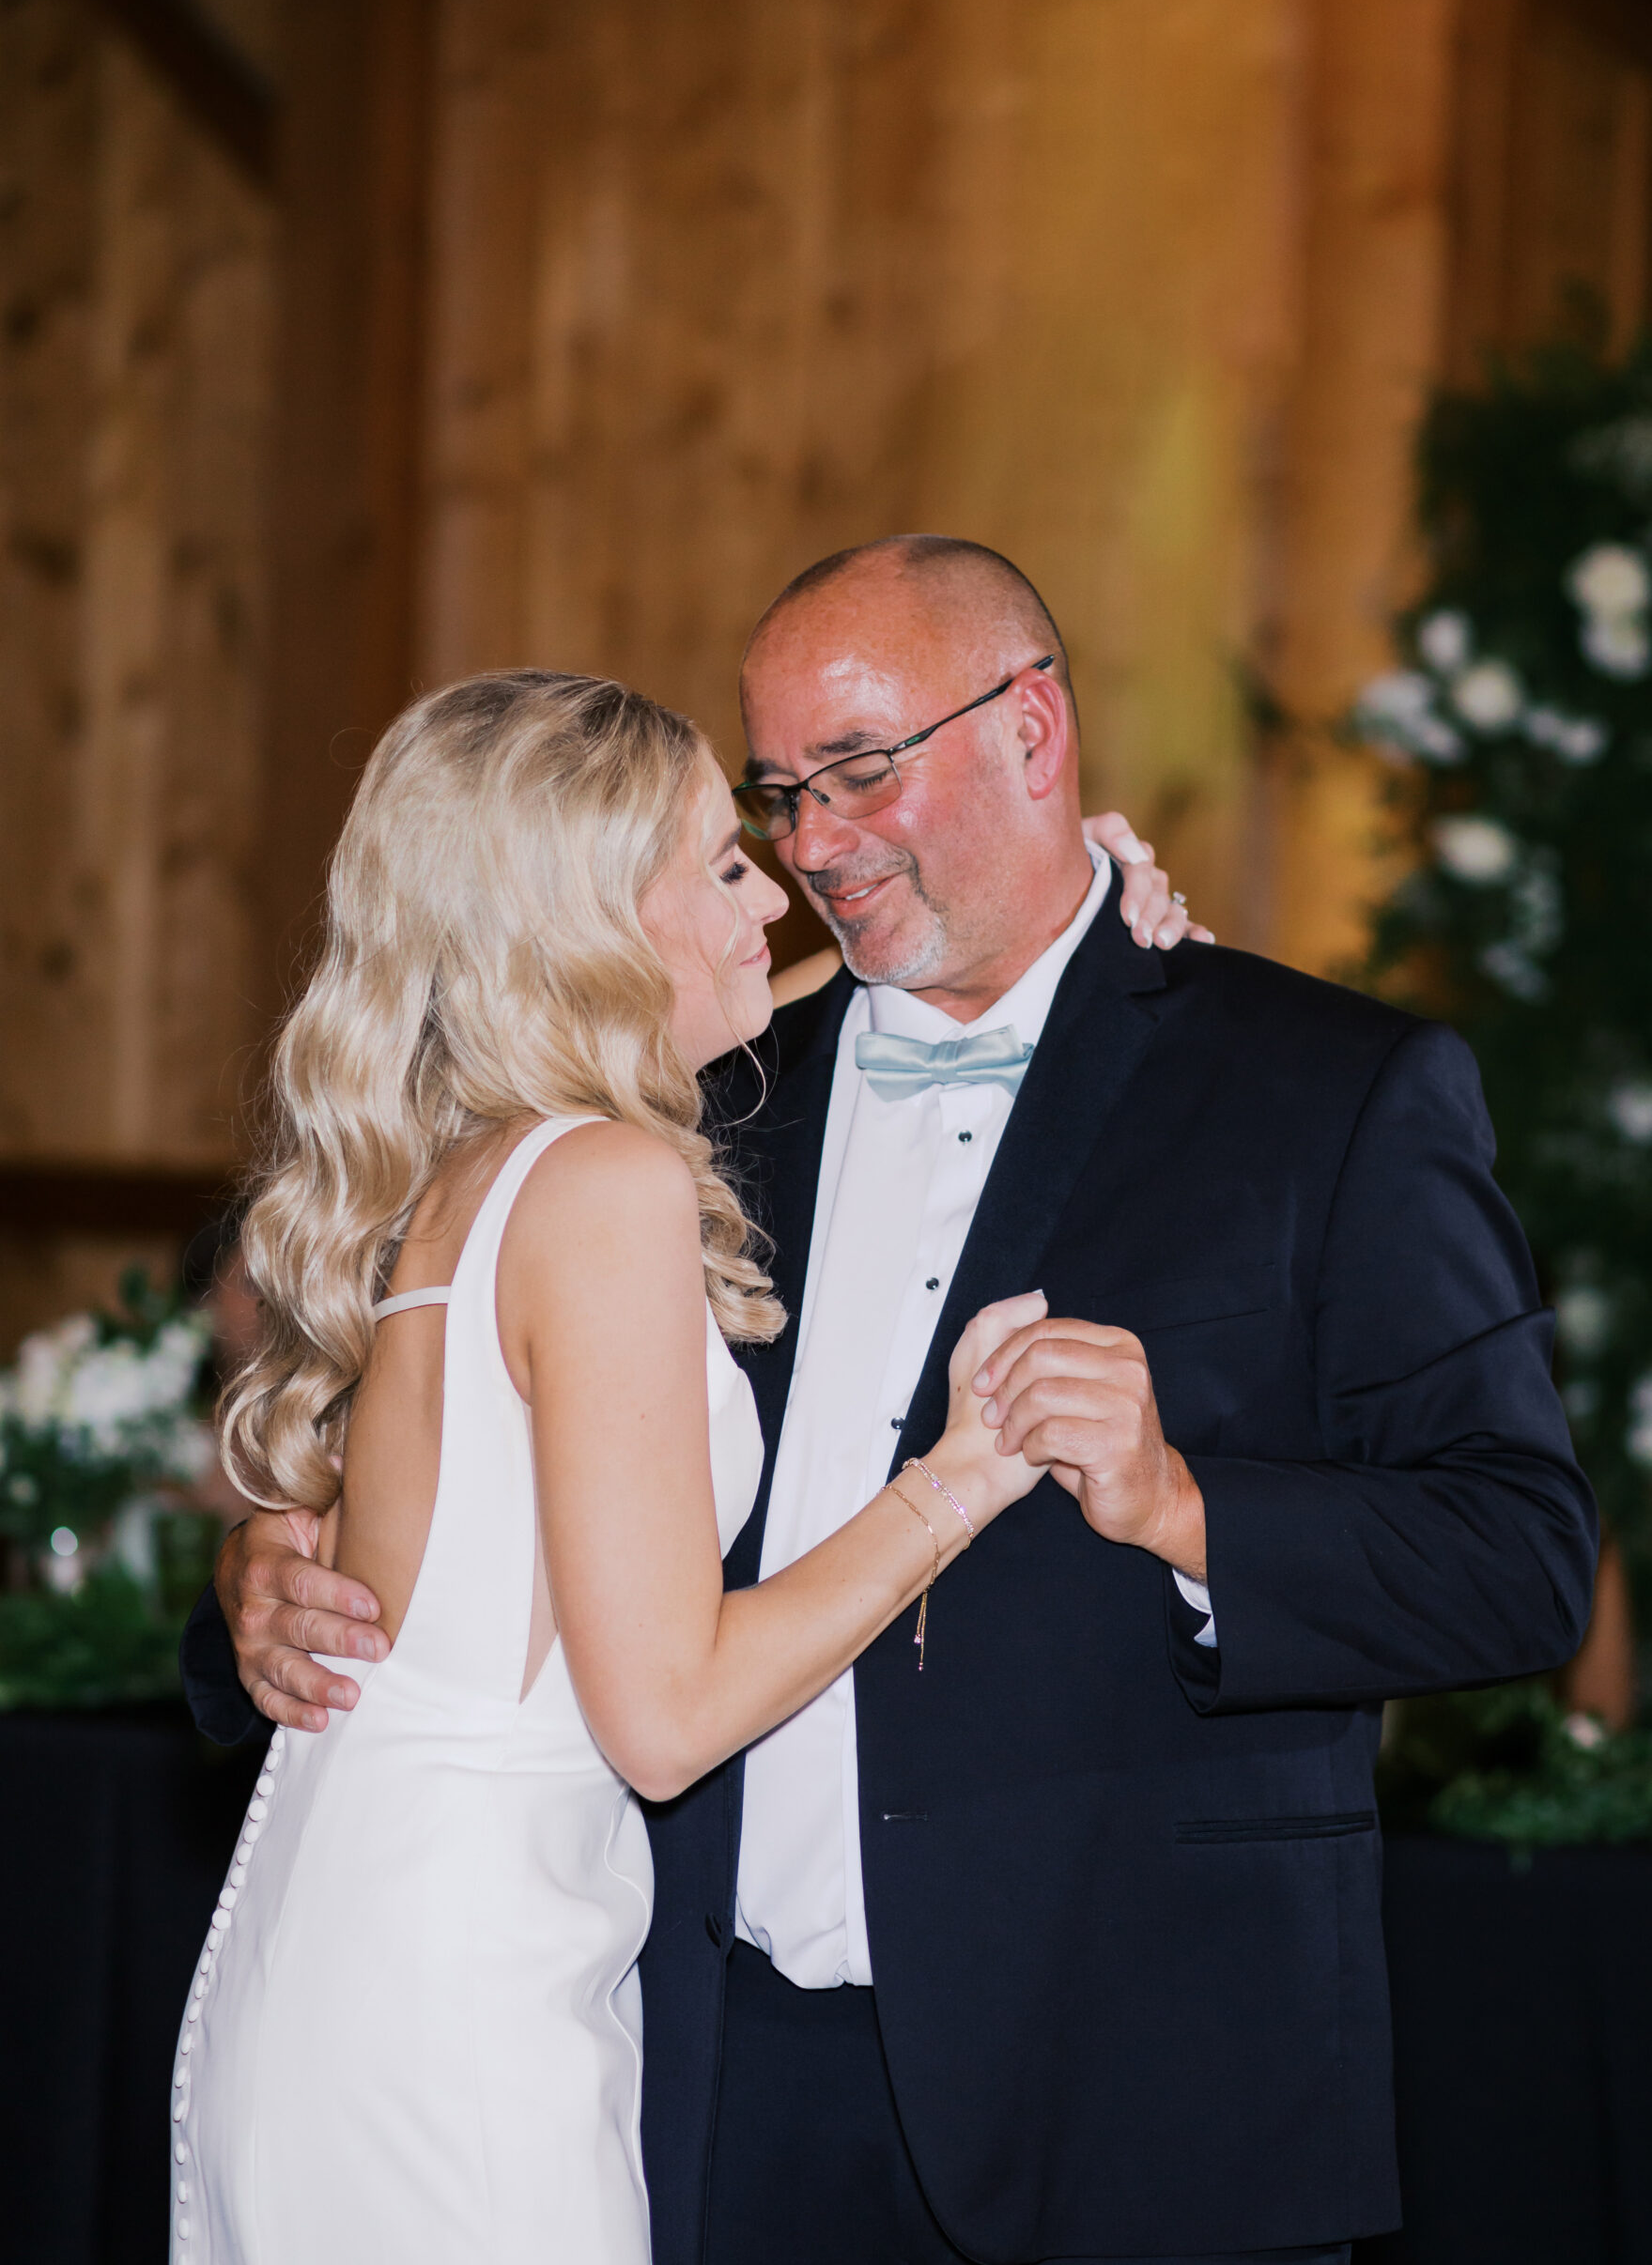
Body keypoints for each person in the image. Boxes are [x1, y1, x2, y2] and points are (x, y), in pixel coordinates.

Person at [191, 535, 1596, 2265]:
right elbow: (445, 1461)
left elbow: (1523, 1556)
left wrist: (1188, 1509)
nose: (812, 850)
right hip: (710, 2092)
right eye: (778, 797)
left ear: (1034, 731)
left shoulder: (1327, 1089)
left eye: (861, 771)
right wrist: (268, 1578)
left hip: (1133, 2101)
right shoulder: (685, 1100)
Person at [169, 669, 1074, 2265]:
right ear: (593, 918)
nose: (775, 891)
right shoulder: (601, 1188)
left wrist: (1071, 909)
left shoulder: (484, 1163)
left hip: (367, 1933)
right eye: (724, 866)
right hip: (460, 2002)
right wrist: (963, 1472)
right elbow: (664, 1724)